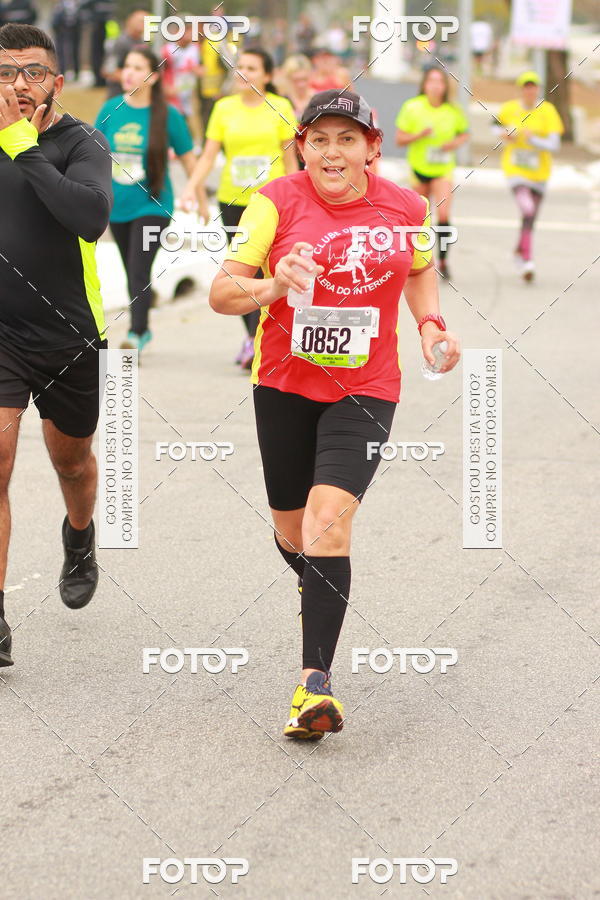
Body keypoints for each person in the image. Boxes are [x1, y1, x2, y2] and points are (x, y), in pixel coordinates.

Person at [208, 89, 460, 738]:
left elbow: (418, 272)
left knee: (328, 522)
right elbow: (220, 291)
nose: (332, 152)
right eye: (319, 139)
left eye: (347, 139)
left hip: (367, 388)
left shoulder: (407, 207)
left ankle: (313, 686)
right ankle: (317, 587)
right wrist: (271, 285)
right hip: (285, 385)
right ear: (302, 147)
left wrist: (431, 325)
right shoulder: (276, 202)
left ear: (373, 148)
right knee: (294, 534)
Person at [0, 23, 113, 667]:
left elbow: (90, 219)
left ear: (57, 82)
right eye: (7, 70)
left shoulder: (80, 142)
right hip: (2, 334)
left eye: (33, 71)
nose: (19, 83)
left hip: (69, 333)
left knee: (71, 462)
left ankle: (79, 536)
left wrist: (22, 146)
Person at [181, 48, 298, 370]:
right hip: (234, 201)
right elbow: (208, 156)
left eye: (252, 67)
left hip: (274, 203)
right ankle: (252, 338)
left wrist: (298, 199)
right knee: (241, 273)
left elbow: (291, 161)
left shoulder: (282, 107)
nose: (243, 72)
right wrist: (192, 186)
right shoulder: (223, 108)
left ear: (268, 76)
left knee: (269, 271)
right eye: (239, 67)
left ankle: (270, 336)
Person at [95, 46, 199, 353]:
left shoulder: (168, 115)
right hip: (117, 205)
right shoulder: (111, 108)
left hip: (153, 204)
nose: (129, 72)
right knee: (132, 271)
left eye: (139, 68)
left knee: (138, 268)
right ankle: (144, 323)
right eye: (127, 66)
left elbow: (189, 159)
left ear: (153, 77)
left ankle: (137, 334)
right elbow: (92, 154)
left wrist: (197, 195)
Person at [395, 66, 469, 279]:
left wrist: (452, 144)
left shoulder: (453, 110)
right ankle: (417, 260)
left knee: (443, 213)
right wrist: (419, 135)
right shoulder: (412, 107)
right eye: (431, 81)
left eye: (440, 82)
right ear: (424, 85)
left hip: (442, 169)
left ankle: (444, 259)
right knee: (420, 216)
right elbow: (399, 139)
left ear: (445, 86)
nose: (435, 86)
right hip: (418, 168)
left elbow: (464, 134)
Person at [495, 71, 563, 282]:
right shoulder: (509, 109)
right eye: (526, 86)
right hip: (515, 169)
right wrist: (504, 134)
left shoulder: (548, 111)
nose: (529, 90)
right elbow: (493, 126)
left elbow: (554, 144)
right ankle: (528, 259)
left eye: (533, 86)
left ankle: (519, 252)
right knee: (527, 208)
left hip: (539, 172)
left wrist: (533, 140)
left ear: (538, 89)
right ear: (520, 89)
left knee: (530, 218)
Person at [161, 19, 203, 127]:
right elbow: (160, 71)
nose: (189, 34)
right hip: (173, 92)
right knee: (173, 119)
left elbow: (201, 68)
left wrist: (197, 70)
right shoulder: (168, 49)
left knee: (190, 118)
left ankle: (194, 141)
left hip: (189, 92)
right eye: (186, 31)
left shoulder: (195, 48)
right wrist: (166, 87)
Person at [102, 8, 148, 99]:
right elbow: (108, 70)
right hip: (118, 97)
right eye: (141, 21)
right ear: (130, 21)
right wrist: (134, 78)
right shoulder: (121, 43)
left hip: (136, 97)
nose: (143, 24)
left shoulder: (143, 43)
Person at [51, 0, 81, 82]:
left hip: (74, 32)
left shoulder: (77, 5)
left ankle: (76, 73)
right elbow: (55, 20)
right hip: (62, 32)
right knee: (61, 53)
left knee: (74, 52)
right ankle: (62, 72)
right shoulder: (60, 5)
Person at [277, 53, 313, 121]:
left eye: (304, 79)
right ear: (288, 79)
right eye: (296, 80)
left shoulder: (317, 99)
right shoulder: (282, 101)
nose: (301, 85)